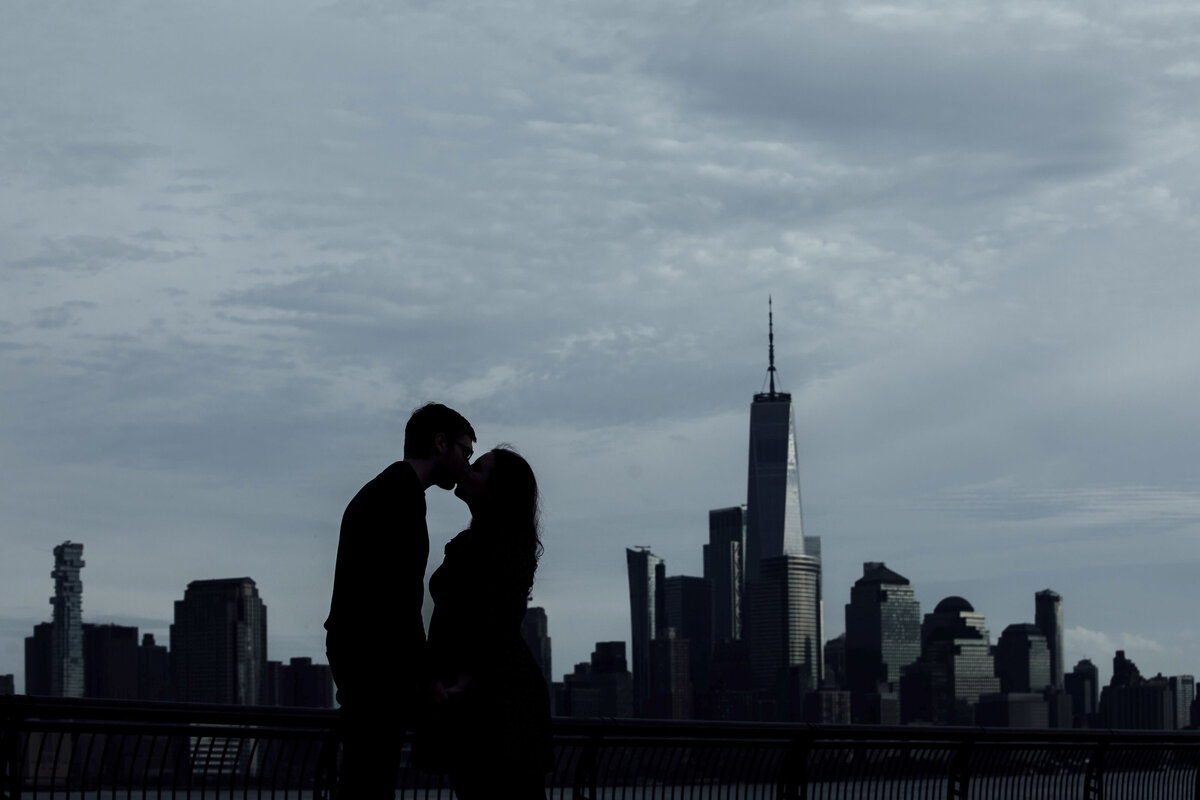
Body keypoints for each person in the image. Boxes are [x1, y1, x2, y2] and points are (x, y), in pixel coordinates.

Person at [324, 403, 476, 799]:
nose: (466, 463)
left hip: (361, 663)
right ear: (440, 443)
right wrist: (427, 682)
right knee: (370, 782)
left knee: (364, 780)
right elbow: (398, 602)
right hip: (375, 669)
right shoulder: (401, 497)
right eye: (464, 451)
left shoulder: (384, 490)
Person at [422, 446, 553, 799]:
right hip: (478, 698)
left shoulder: (504, 548)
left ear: (496, 489)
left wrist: (467, 681)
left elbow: (494, 622)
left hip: (497, 703)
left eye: (476, 468)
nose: (466, 469)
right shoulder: (473, 543)